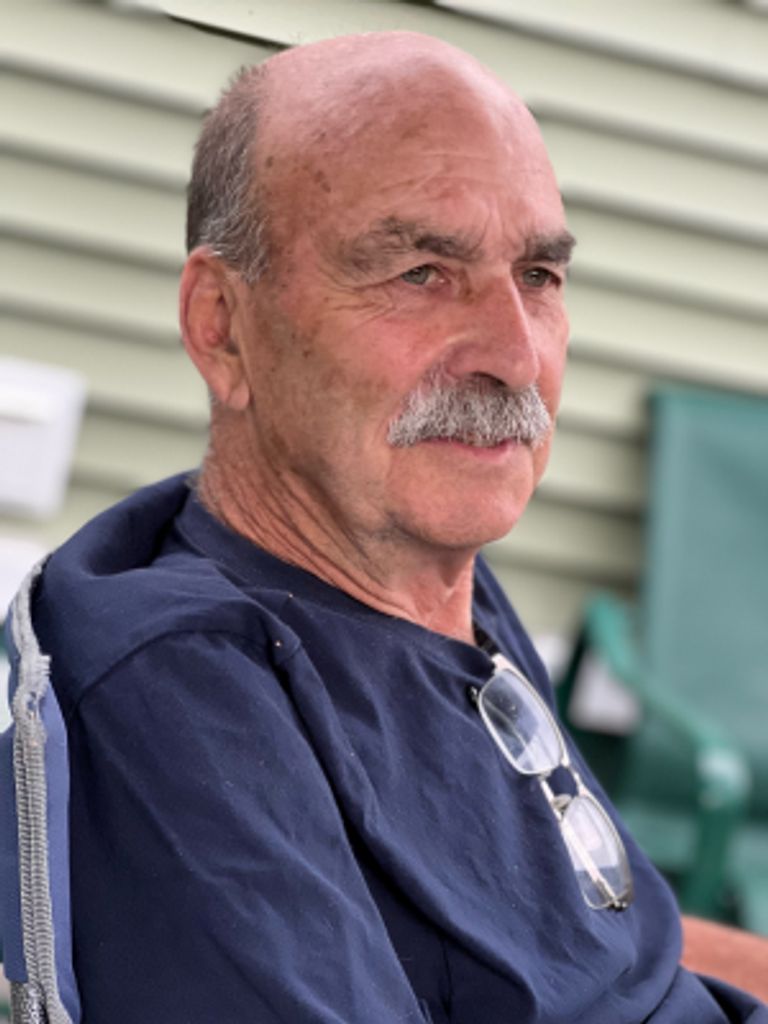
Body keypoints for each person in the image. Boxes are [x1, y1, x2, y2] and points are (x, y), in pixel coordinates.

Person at [3, 30, 768, 1024]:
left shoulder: (431, 577)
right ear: (222, 326)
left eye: (539, 276)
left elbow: (606, 949)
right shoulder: (194, 706)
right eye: (420, 272)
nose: (514, 356)